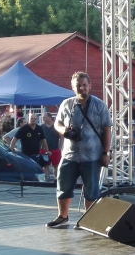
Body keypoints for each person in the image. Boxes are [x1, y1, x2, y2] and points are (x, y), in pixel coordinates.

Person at [46, 71, 112, 228]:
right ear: (73, 87)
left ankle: (88, 220)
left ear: (90, 86)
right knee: (63, 186)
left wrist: (106, 153)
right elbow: (57, 123)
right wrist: (65, 131)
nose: (82, 88)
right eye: (78, 85)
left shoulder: (99, 105)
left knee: (91, 189)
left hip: (92, 154)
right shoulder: (66, 104)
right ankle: (62, 216)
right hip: (70, 154)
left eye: (84, 85)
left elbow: (107, 129)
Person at [41, 112, 63, 179]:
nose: (43, 119)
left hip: (55, 149)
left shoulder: (56, 126)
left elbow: (61, 137)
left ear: (49, 117)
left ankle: (56, 179)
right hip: (44, 150)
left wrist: (60, 147)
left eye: (44, 117)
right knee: (45, 165)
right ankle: (46, 179)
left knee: (55, 165)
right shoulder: (42, 127)